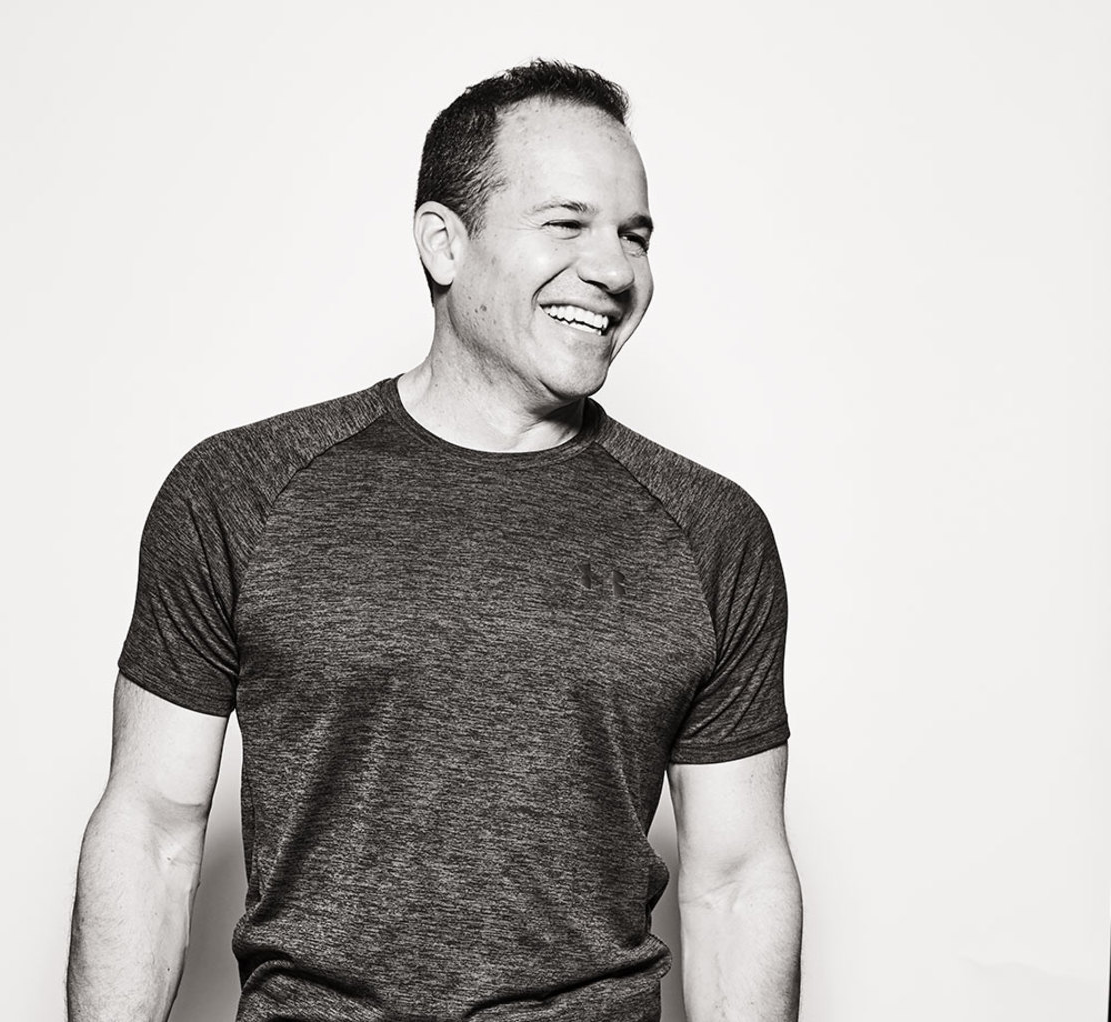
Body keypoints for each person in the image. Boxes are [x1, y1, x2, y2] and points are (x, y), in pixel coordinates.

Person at [67, 59, 802, 1022]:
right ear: (443, 243)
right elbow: (154, 833)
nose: (616, 271)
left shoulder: (712, 531)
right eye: (567, 224)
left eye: (634, 235)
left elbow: (737, 881)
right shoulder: (238, 491)